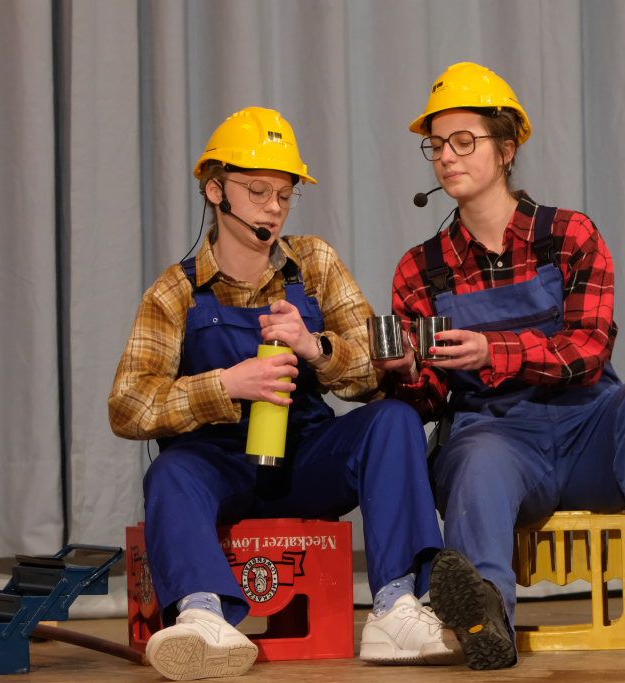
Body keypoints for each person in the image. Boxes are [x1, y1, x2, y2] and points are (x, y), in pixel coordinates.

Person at [376, 63, 625, 670]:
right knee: (475, 459)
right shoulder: (419, 269)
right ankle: (486, 619)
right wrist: (403, 371)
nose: (446, 157)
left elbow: (589, 349)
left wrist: (493, 351)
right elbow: (426, 400)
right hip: (498, 437)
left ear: (506, 150)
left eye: (463, 141)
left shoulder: (568, 234)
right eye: (437, 145)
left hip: (590, 431)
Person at [108, 106, 460, 680]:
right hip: (218, 466)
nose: (273, 207)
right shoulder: (175, 291)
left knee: (394, 418)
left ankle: (395, 607)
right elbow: (128, 406)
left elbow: (374, 372)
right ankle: (203, 619)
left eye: (284, 194)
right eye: (258, 191)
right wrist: (227, 384)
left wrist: (315, 347)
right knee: (168, 473)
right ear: (216, 191)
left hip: (305, 458)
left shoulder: (314, 262)